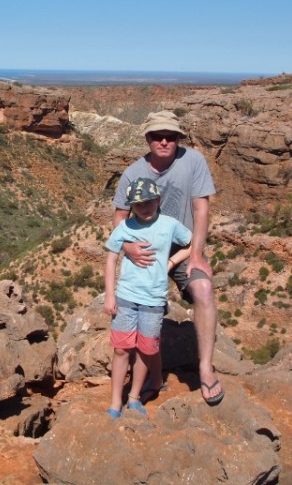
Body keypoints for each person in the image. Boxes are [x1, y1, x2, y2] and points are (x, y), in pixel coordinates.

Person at [112, 110, 224, 406]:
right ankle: (156, 377)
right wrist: (128, 249)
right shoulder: (133, 173)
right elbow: (119, 217)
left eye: (171, 136)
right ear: (147, 138)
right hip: (145, 253)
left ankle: (205, 370)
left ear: (178, 138)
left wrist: (197, 254)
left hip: (184, 250)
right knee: (149, 314)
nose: (164, 141)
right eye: (157, 136)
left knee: (203, 289)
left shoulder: (193, 161)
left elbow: (201, 209)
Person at [104, 176, 193, 418]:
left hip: (153, 300)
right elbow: (111, 259)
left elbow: (191, 243)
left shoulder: (169, 224)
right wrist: (109, 295)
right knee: (121, 350)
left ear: (158, 199)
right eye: (139, 203)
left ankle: (133, 398)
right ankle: (115, 403)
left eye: (149, 202)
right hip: (126, 297)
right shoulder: (125, 227)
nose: (144, 207)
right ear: (132, 205)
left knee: (145, 350)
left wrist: (171, 262)